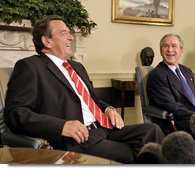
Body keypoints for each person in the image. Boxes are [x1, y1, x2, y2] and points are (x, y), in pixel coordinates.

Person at [3, 15, 165, 164]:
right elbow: (16, 114)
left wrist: (108, 109)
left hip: (104, 128)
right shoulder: (30, 67)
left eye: (70, 32)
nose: (71, 36)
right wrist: (61, 126)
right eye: (63, 33)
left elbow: (90, 100)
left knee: (152, 130)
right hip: (77, 140)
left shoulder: (77, 67)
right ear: (47, 41)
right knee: (135, 153)